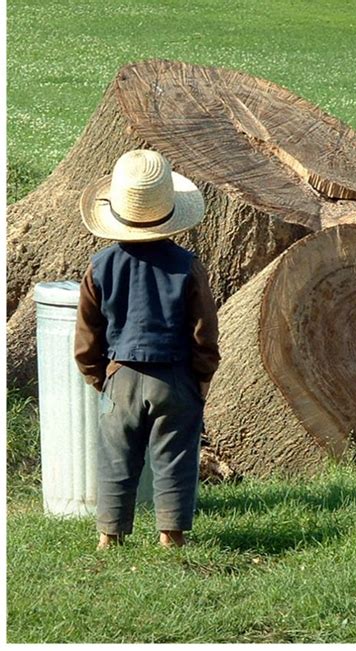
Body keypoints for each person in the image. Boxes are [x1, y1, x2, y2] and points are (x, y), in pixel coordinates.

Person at [74, 149, 220, 550]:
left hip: (119, 375)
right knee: (174, 456)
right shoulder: (188, 266)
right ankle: (170, 536)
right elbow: (204, 332)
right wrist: (201, 379)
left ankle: (109, 536)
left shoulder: (99, 265)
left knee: (116, 458)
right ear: (169, 210)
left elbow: (87, 336)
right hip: (175, 377)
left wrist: (99, 377)